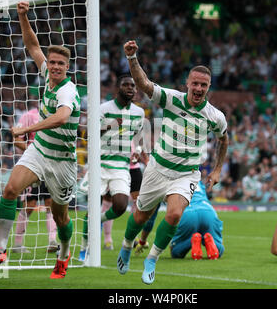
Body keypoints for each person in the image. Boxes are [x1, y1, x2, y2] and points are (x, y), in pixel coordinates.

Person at [0, 1, 81, 280]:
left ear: (68, 67)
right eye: (53, 62)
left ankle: (63, 253)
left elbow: (61, 118)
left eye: (61, 63)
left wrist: (29, 128)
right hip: (40, 151)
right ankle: (0, 250)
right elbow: (32, 45)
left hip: (63, 162)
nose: (56, 67)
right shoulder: (46, 72)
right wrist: (23, 16)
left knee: (60, 217)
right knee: (10, 189)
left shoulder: (68, 91)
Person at [117, 40, 228, 285]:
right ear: (187, 83)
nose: (199, 88)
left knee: (175, 214)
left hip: (186, 174)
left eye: (204, 85)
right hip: (158, 168)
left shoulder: (215, 116)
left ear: (209, 87)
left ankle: (152, 259)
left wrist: (218, 169)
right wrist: (132, 58)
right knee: (140, 217)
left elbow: (224, 140)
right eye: (195, 83)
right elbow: (144, 85)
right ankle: (126, 245)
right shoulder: (172, 99)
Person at [78, 75, 145, 260]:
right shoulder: (103, 109)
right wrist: (111, 125)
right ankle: (84, 247)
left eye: (133, 85)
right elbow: (90, 134)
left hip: (121, 166)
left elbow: (139, 134)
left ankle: (96, 222)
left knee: (121, 205)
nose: (130, 88)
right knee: (94, 206)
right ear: (118, 87)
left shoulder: (139, 113)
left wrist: (138, 149)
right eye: (126, 84)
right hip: (99, 163)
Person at [133, 180, 225, 260]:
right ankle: (208, 241)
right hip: (207, 210)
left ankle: (193, 241)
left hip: (187, 212)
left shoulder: (165, 180)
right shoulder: (196, 176)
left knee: (176, 252)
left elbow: (151, 217)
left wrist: (142, 240)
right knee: (218, 247)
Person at [11, 104, 58, 254]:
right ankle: (17, 244)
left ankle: (52, 241)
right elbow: (17, 140)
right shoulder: (28, 116)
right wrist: (34, 152)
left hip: (50, 166)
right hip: (32, 165)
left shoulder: (56, 117)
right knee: (30, 204)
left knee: (51, 203)